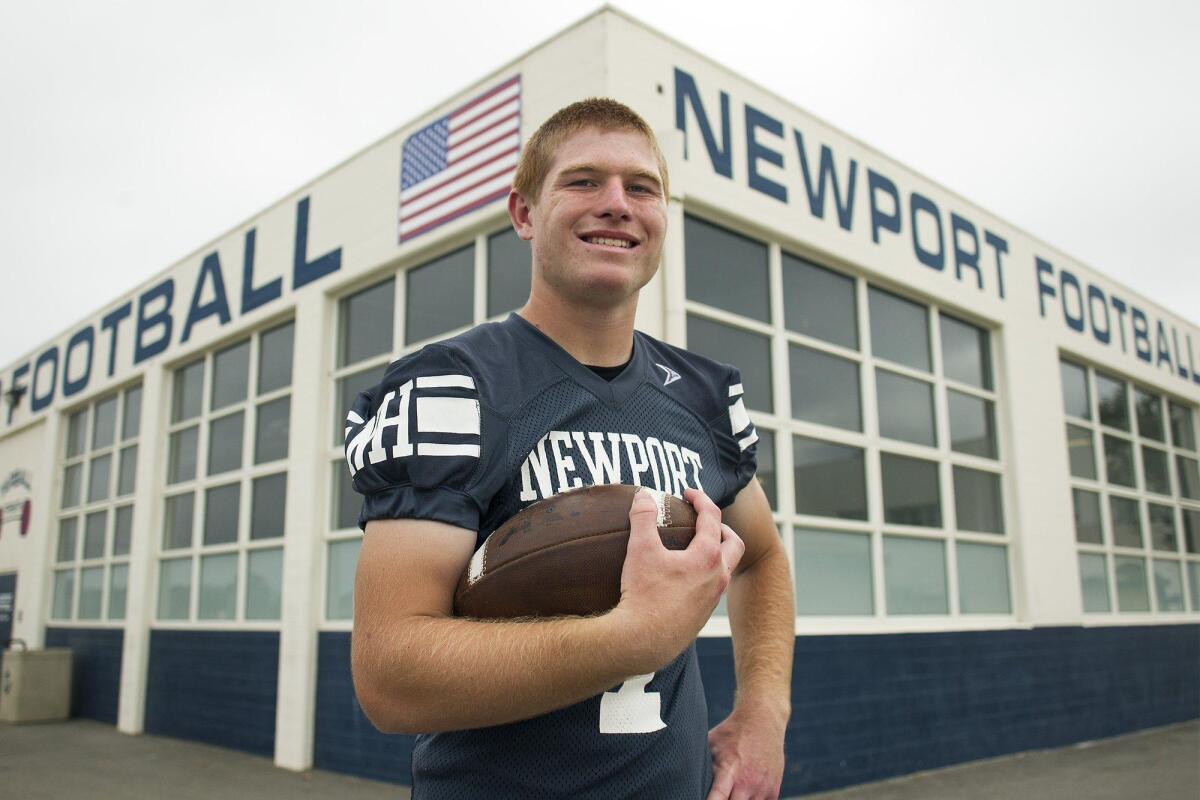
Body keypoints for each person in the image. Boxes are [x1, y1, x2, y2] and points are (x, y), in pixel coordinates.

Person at [346, 98, 793, 799]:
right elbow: (389, 677)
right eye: (583, 181)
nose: (617, 203)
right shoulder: (452, 387)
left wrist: (764, 713)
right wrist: (630, 637)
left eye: (641, 187)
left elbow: (760, 558)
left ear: (662, 218)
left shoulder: (703, 395)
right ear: (524, 214)